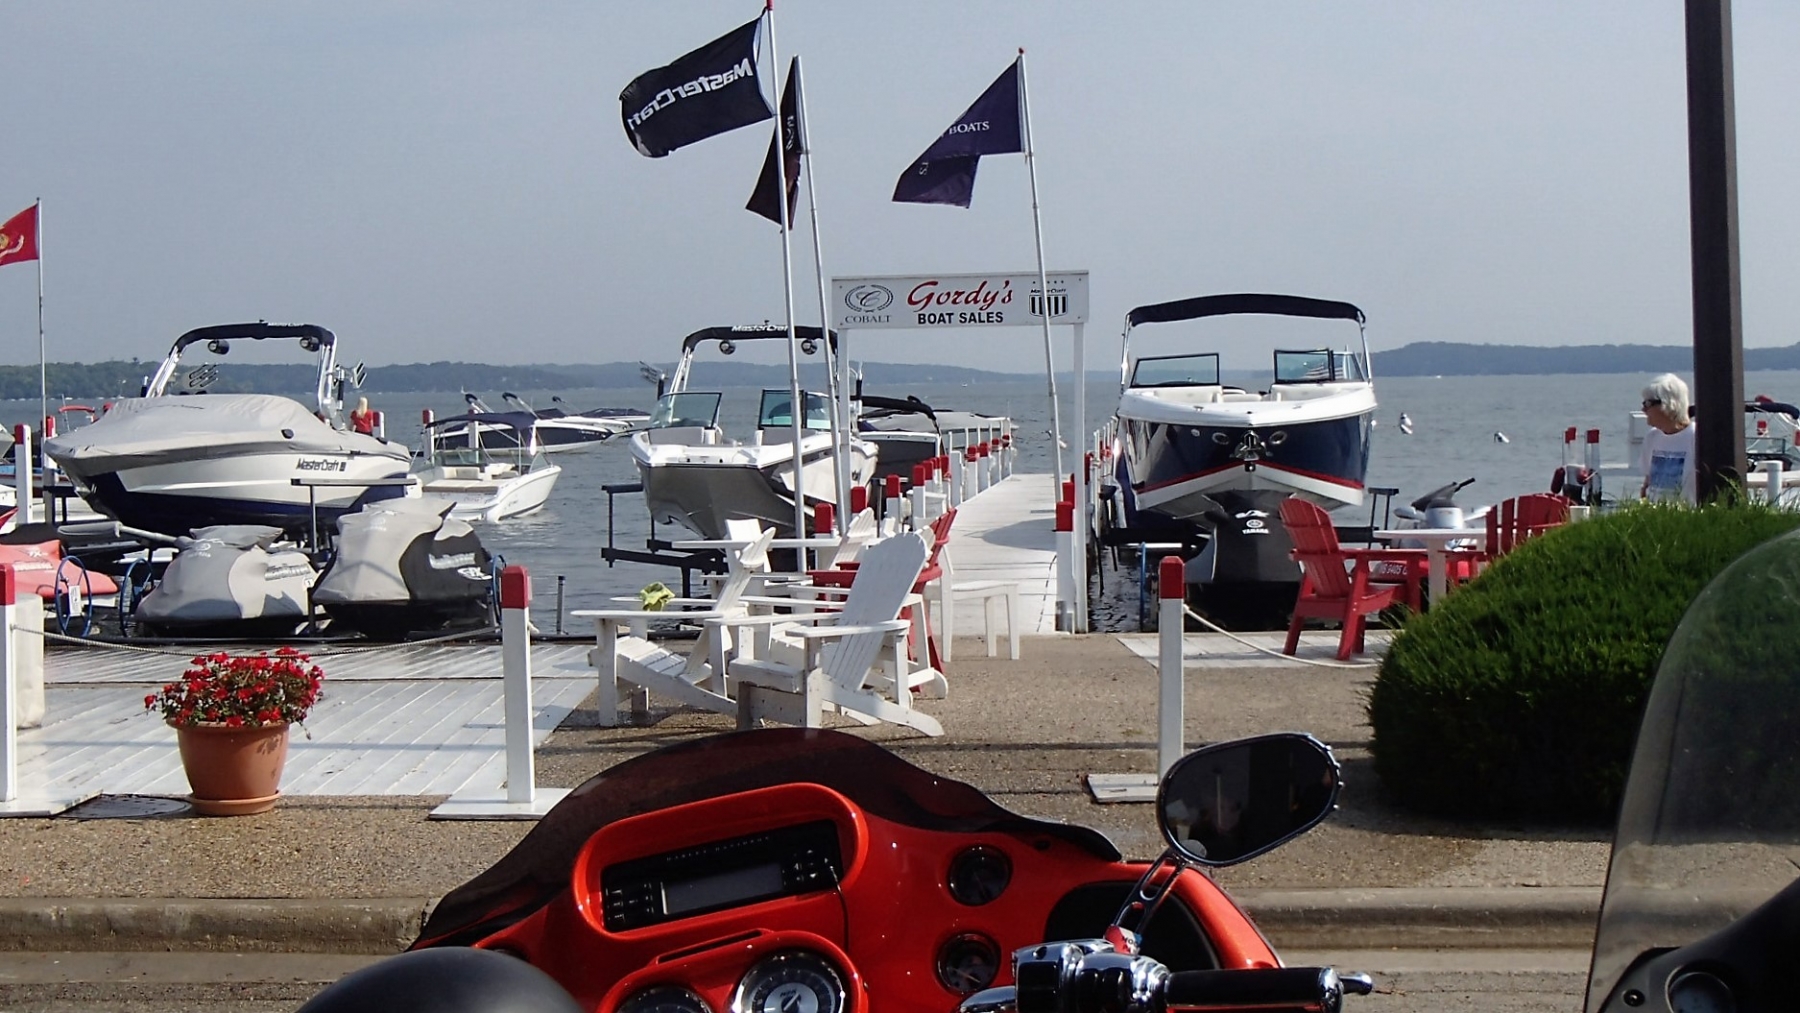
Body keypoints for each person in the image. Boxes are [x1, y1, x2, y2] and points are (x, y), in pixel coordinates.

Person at [1639, 373, 1696, 504]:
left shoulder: (1695, 437)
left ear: (1668, 404)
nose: (1643, 409)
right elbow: (1647, 483)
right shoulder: (1652, 437)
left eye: (1648, 403)